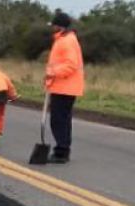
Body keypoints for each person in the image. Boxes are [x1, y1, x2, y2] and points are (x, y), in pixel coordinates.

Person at [44, 11, 84, 163]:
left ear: (59, 26)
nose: (51, 28)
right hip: (63, 86)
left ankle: (61, 152)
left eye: (53, 25)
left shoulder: (66, 41)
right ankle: (63, 150)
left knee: (59, 120)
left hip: (65, 87)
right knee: (63, 120)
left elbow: (70, 65)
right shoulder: (64, 39)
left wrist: (52, 73)